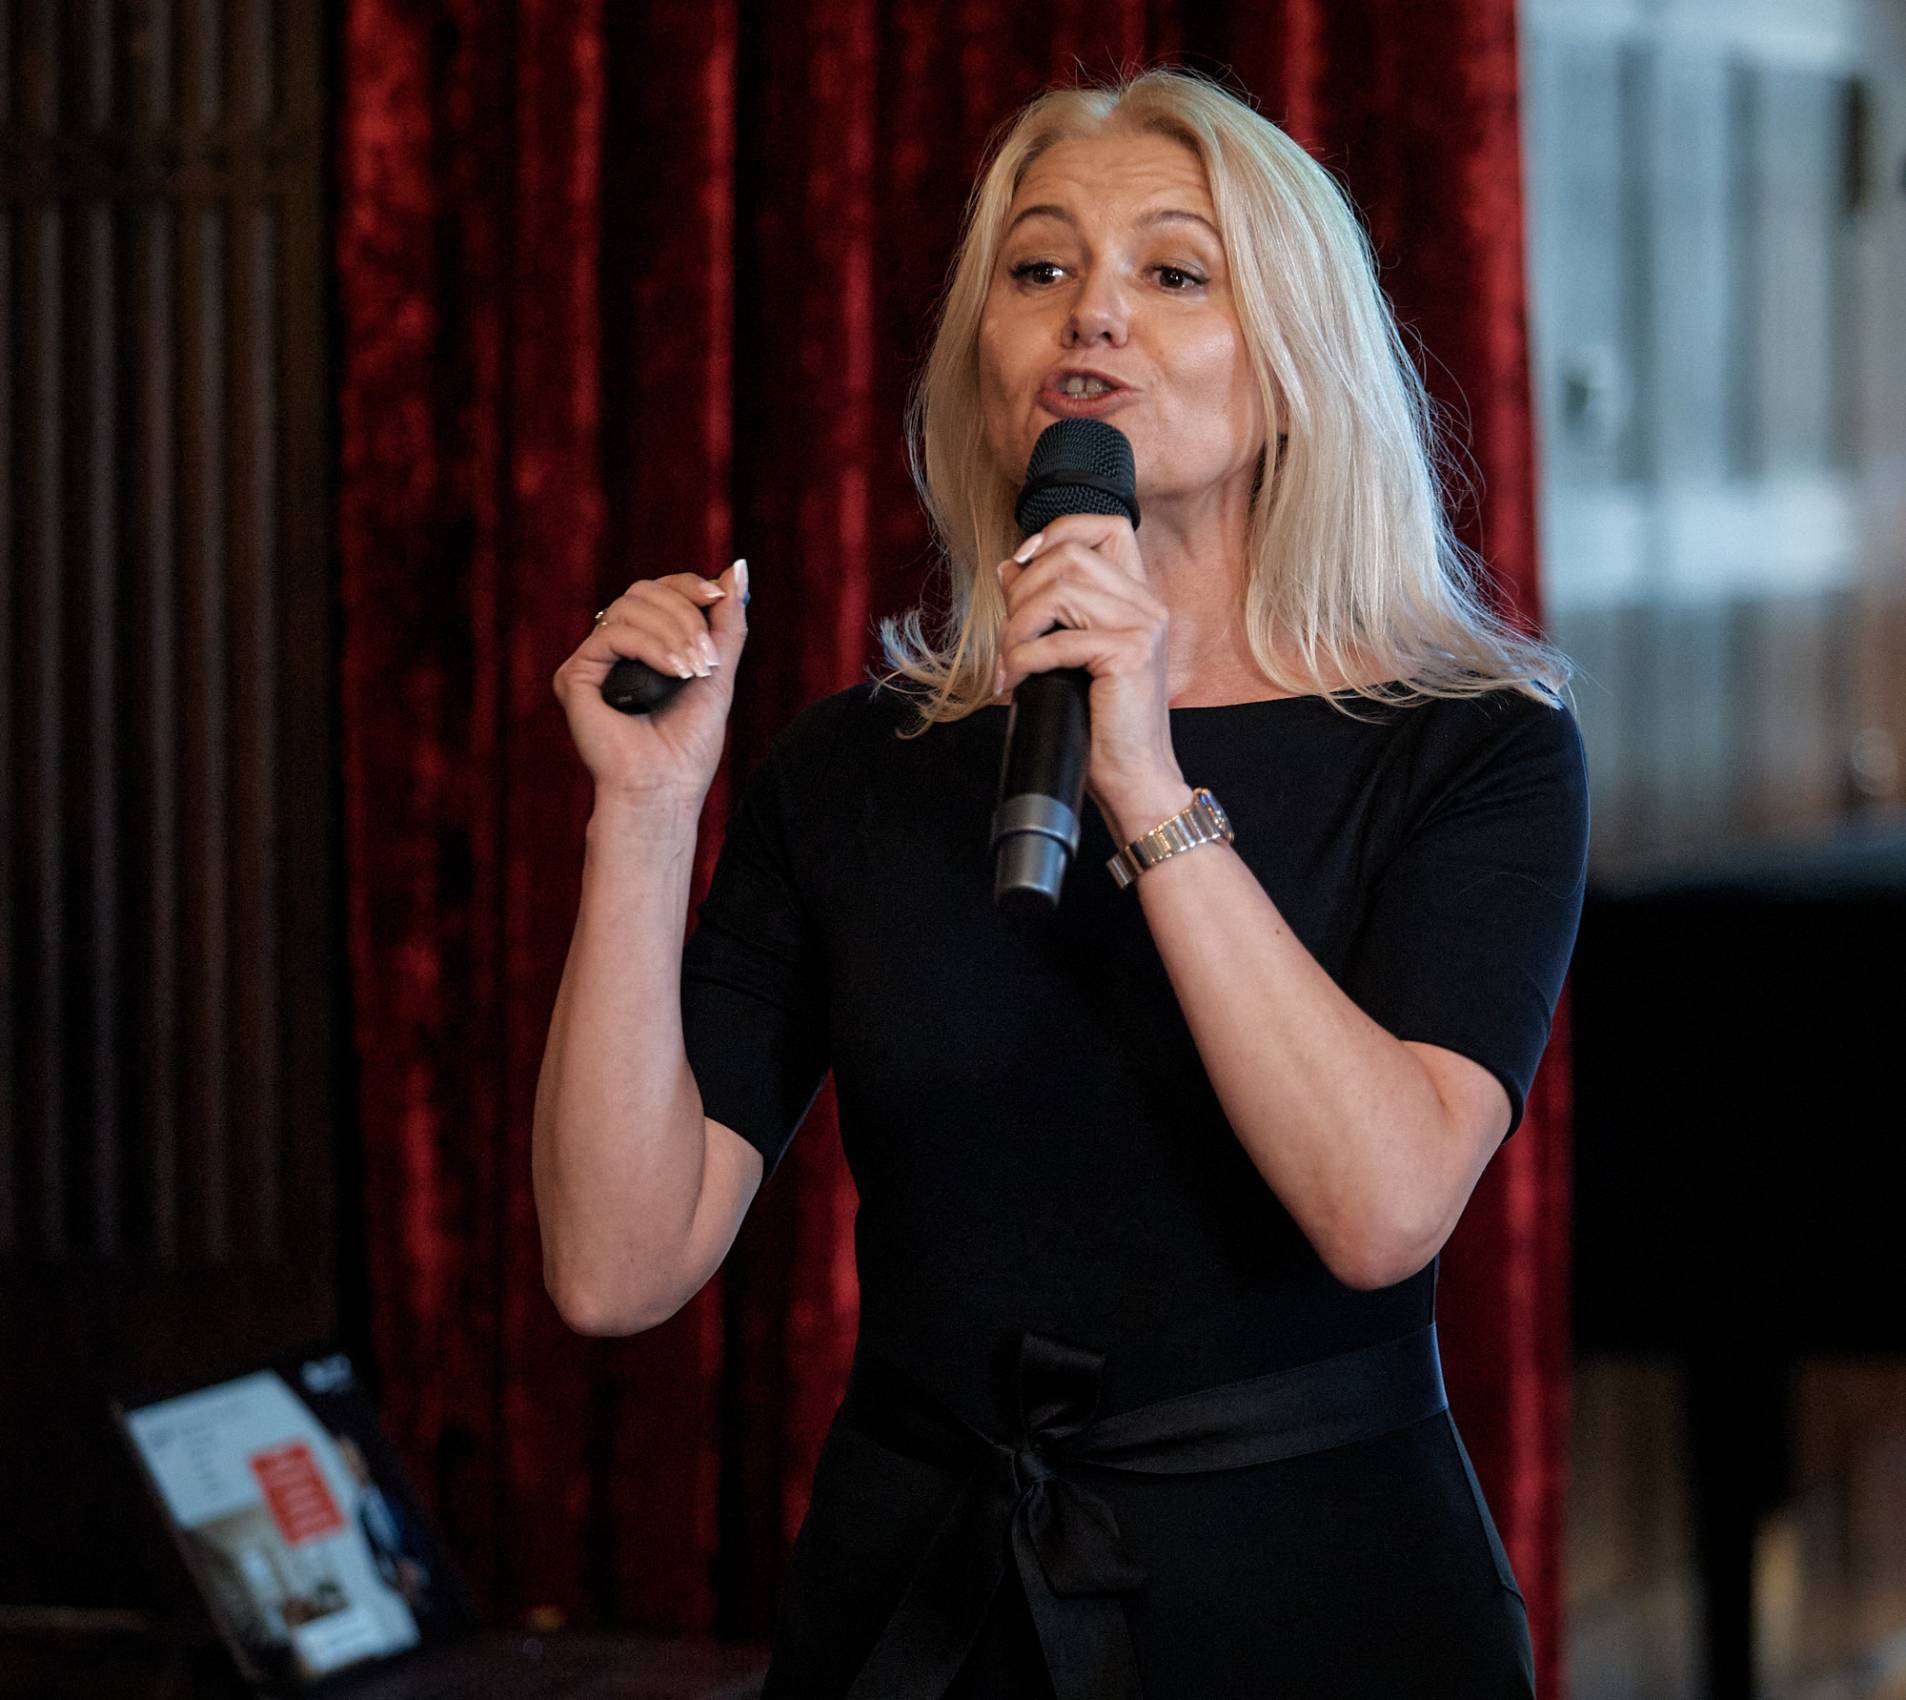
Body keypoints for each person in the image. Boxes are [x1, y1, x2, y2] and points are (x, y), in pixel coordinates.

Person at [535, 63, 1587, 1700]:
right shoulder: (858, 763)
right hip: (919, 1598)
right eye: (1038, 269)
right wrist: (645, 815)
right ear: (984, 360)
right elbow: (615, 1267)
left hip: (1316, 1598)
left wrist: (1143, 780)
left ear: (1293, 365)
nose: (1090, 312)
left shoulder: (1470, 744)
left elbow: (1381, 1209)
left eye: (1172, 272)